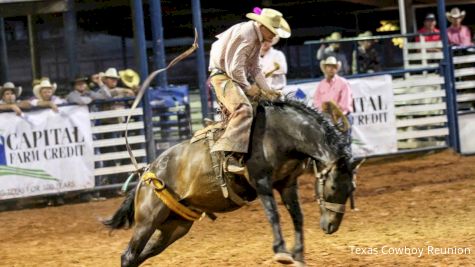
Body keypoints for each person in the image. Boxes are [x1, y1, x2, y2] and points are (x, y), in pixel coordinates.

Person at [208, 8, 290, 174]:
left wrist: (268, 89)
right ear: (262, 26)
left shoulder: (255, 37)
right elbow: (234, 68)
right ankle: (228, 156)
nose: (274, 36)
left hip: (229, 75)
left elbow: (255, 67)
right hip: (223, 76)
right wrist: (248, 87)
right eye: (273, 31)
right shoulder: (247, 35)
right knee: (244, 110)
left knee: (263, 107)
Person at [314, 56, 353, 139]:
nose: (331, 69)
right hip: (327, 119)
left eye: (333, 67)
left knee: (344, 144)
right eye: (329, 66)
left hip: (342, 118)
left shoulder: (343, 83)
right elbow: (317, 102)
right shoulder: (321, 84)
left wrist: (337, 115)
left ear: (336, 69)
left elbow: (345, 104)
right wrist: (324, 112)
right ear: (325, 68)